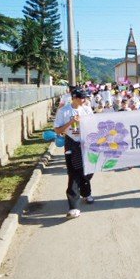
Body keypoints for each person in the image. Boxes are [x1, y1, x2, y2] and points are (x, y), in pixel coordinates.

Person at [54, 88, 95, 219]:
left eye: (85, 97)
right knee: (73, 174)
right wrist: (72, 122)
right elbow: (57, 130)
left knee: (87, 171)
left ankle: (86, 192)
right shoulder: (63, 111)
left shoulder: (87, 109)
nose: (85, 100)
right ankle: (74, 207)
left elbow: (93, 125)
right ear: (74, 97)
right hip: (71, 144)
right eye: (82, 97)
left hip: (86, 143)